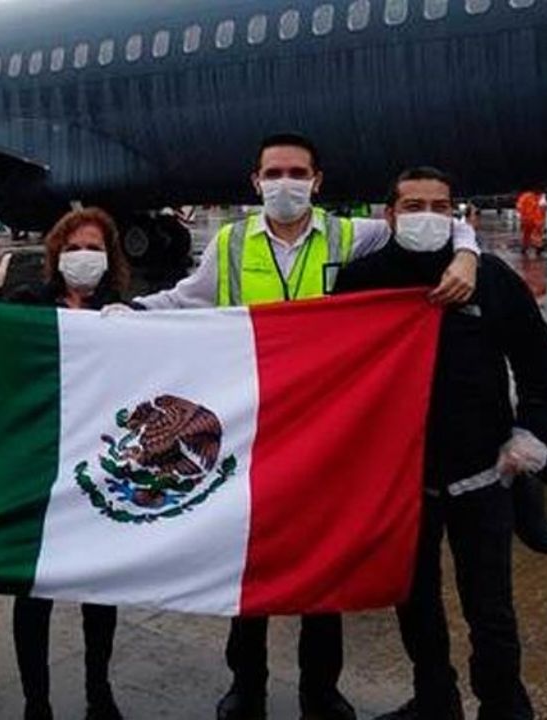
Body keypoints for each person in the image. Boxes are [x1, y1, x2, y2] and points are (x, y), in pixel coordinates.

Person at [128, 133, 483, 720]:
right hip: (256, 418)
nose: (285, 182)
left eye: (297, 172)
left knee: (324, 561)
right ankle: (248, 683)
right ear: (256, 181)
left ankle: (322, 688)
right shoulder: (232, 241)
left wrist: (467, 251)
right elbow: (188, 300)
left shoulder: (351, 234)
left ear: (317, 182)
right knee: (250, 556)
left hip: (328, 424)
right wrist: (127, 315)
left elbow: (433, 224)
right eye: (275, 172)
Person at [334, 167, 547, 720]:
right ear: (390, 216)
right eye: (414, 206)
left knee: (490, 608)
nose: (427, 217)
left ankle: (504, 705)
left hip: (483, 474)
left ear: (455, 214)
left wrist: (532, 432)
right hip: (402, 481)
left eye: (439, 206)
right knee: (414, 602)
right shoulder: (361, 281)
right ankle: (435, 698)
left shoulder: (489, 279)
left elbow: (540, 362)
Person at [0, 207, 129, 720]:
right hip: (40, 468)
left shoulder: (120, 312)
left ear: (110, 257)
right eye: (74, 248)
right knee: (34, 592)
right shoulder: (30, 303)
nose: (84, 257)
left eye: (95, 248)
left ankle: (98, 688)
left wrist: (138, 332)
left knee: (101, 593)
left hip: (100, 470)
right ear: (57, 255)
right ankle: (38, 701)